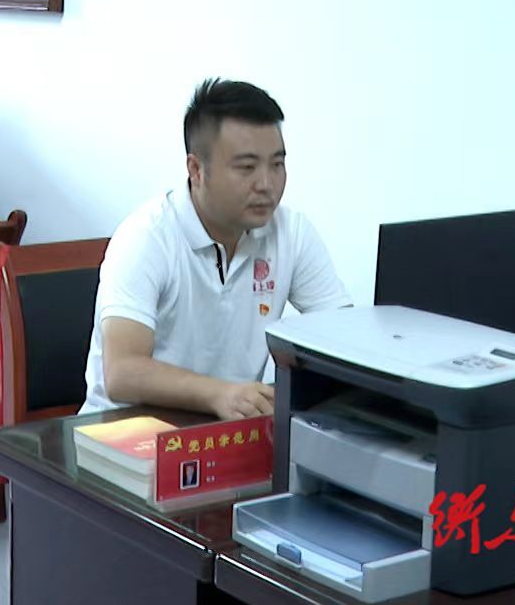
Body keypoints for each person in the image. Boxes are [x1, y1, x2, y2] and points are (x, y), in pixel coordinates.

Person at [81, 78, 351, 420]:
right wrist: (219, 394)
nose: (266, 184)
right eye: (247, 167)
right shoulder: (147, 237)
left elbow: (345, 338)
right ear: (196, 169)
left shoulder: (291, 231)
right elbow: (123, 373)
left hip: (228, 432)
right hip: (125, 433)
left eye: (277, 164)